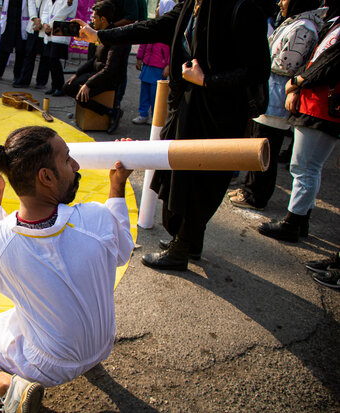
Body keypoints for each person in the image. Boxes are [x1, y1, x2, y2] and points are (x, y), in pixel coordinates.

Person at [0, 126, 135, 413]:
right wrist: (117, 186)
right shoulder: (96, 219)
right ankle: (13, 384)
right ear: (46, 177)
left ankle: (8, 387)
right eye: (68, 160)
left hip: (47, 366)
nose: (76, 166)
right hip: (101, 346)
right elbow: (121, 252)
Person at [75, 0, 270, 270]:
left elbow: (257, 70)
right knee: (178, 176)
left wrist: (207, 81)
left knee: (200, 181)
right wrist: (100, 36)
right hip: (189, 105)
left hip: (219, 114)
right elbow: (152, 28)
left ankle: (181, 249)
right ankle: (189, 242)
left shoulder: (242, 8)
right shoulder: (193, 4)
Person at [227, 0, 325, 211]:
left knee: (265, 148)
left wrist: (258, 59)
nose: (280, 2)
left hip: (277, 98)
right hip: (269, 94)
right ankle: (247, 187)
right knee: (256, 142)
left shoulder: (304, 27)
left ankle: (256, 195)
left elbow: (287, 62)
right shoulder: (295, 22)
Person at [258, 3, 339, 243]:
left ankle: (293, 222)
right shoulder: (331, 24)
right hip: (314, 105)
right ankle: (299, 219)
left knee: (305, 168)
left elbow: (328, 65)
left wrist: (298, 81)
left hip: (322, 108)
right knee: (305, 168)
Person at [62, 1, 129, 133]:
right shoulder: (99, 34)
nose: (91, 21)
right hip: (97, 73)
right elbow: (94, 60)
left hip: (109, 79)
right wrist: (77, 74)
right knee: (68, 87)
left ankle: (112, 112)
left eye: (94, 18)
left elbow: (110, 69)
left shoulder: (115, 38)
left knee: (81, 96)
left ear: (103, 19)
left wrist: (88, 84)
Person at [131, 0, 174, 125]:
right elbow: (144, 43)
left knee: (157, 94)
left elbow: (173, 50)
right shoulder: (153, 26)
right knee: (145, 91)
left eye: (159, 6)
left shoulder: (170, 30)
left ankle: (155, 116)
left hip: (159, 67)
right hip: (147, 65)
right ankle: (143, 114)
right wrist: (139, 58)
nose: (157, 8)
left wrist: (168, 65)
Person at [41, 0, 79, 96]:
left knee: (54, 59)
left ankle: (60, 87)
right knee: (50, 59)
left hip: (61, 29)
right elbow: (45, 10)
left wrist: (50, 24)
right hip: (50, 30)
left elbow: (64, 12)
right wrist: (45, 23)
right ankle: (54, 86)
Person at [0, 0, 28, 83]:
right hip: (8, 22)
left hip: (21, 23)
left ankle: (17, 76)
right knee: (3, 49)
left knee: (20, 51)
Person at [12, 0, 50, 88]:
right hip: (33, 25)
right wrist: (34, 18)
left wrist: (43, 22)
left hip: (45, 27)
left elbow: (51, 7)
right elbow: (31, 3)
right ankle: (24, 80)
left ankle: (41, 82)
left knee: (45, 57)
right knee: (29, 54)